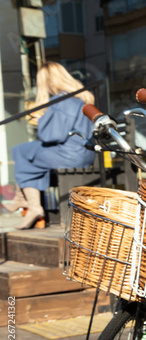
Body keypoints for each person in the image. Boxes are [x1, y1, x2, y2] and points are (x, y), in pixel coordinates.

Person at [5, 61, 96, 229]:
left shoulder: (62, 100)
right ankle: (25, 201)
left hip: (69, 155)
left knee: (23, 152)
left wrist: (42, 121)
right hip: (83, 153)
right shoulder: (78, 99)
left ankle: (31, 205)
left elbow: (52, 136)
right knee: (27, 154)